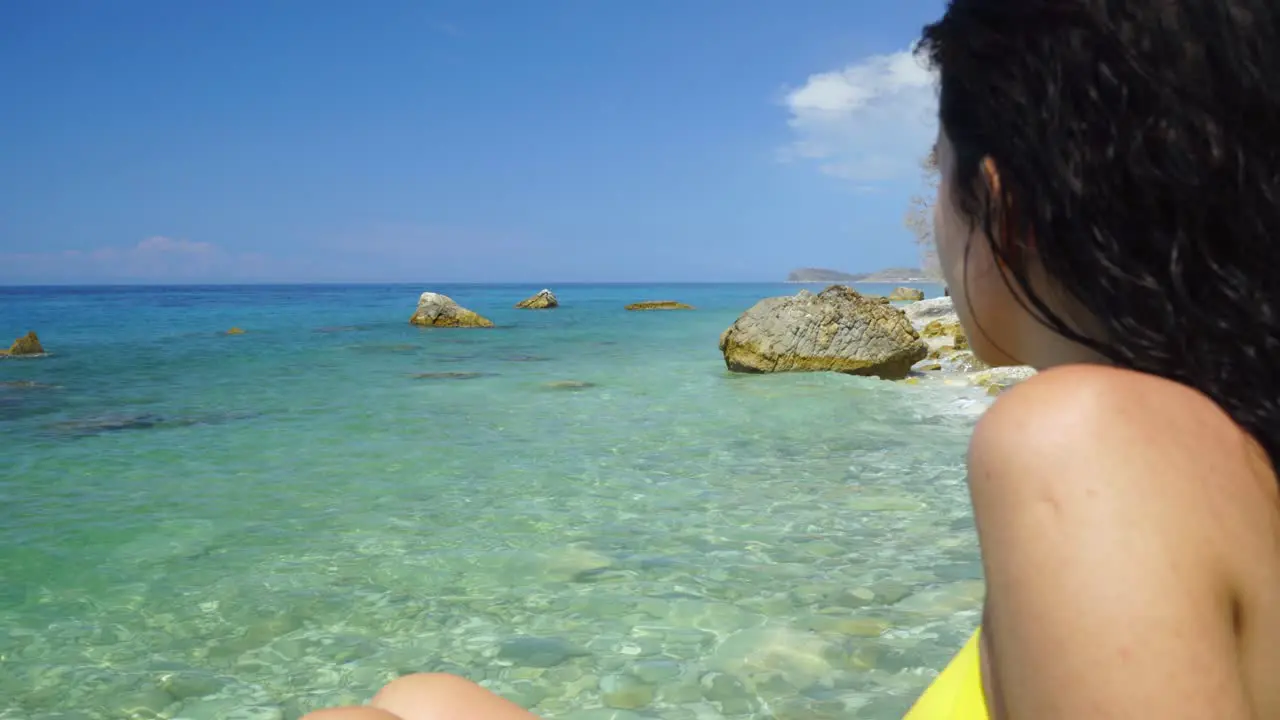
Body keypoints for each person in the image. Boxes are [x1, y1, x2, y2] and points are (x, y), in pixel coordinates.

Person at [307, 1, 1280, 717]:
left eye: (929, 176)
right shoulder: (1213, 453)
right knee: (425, 700)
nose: (919, 221)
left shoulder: (1087, 437)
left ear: (1003, 208)